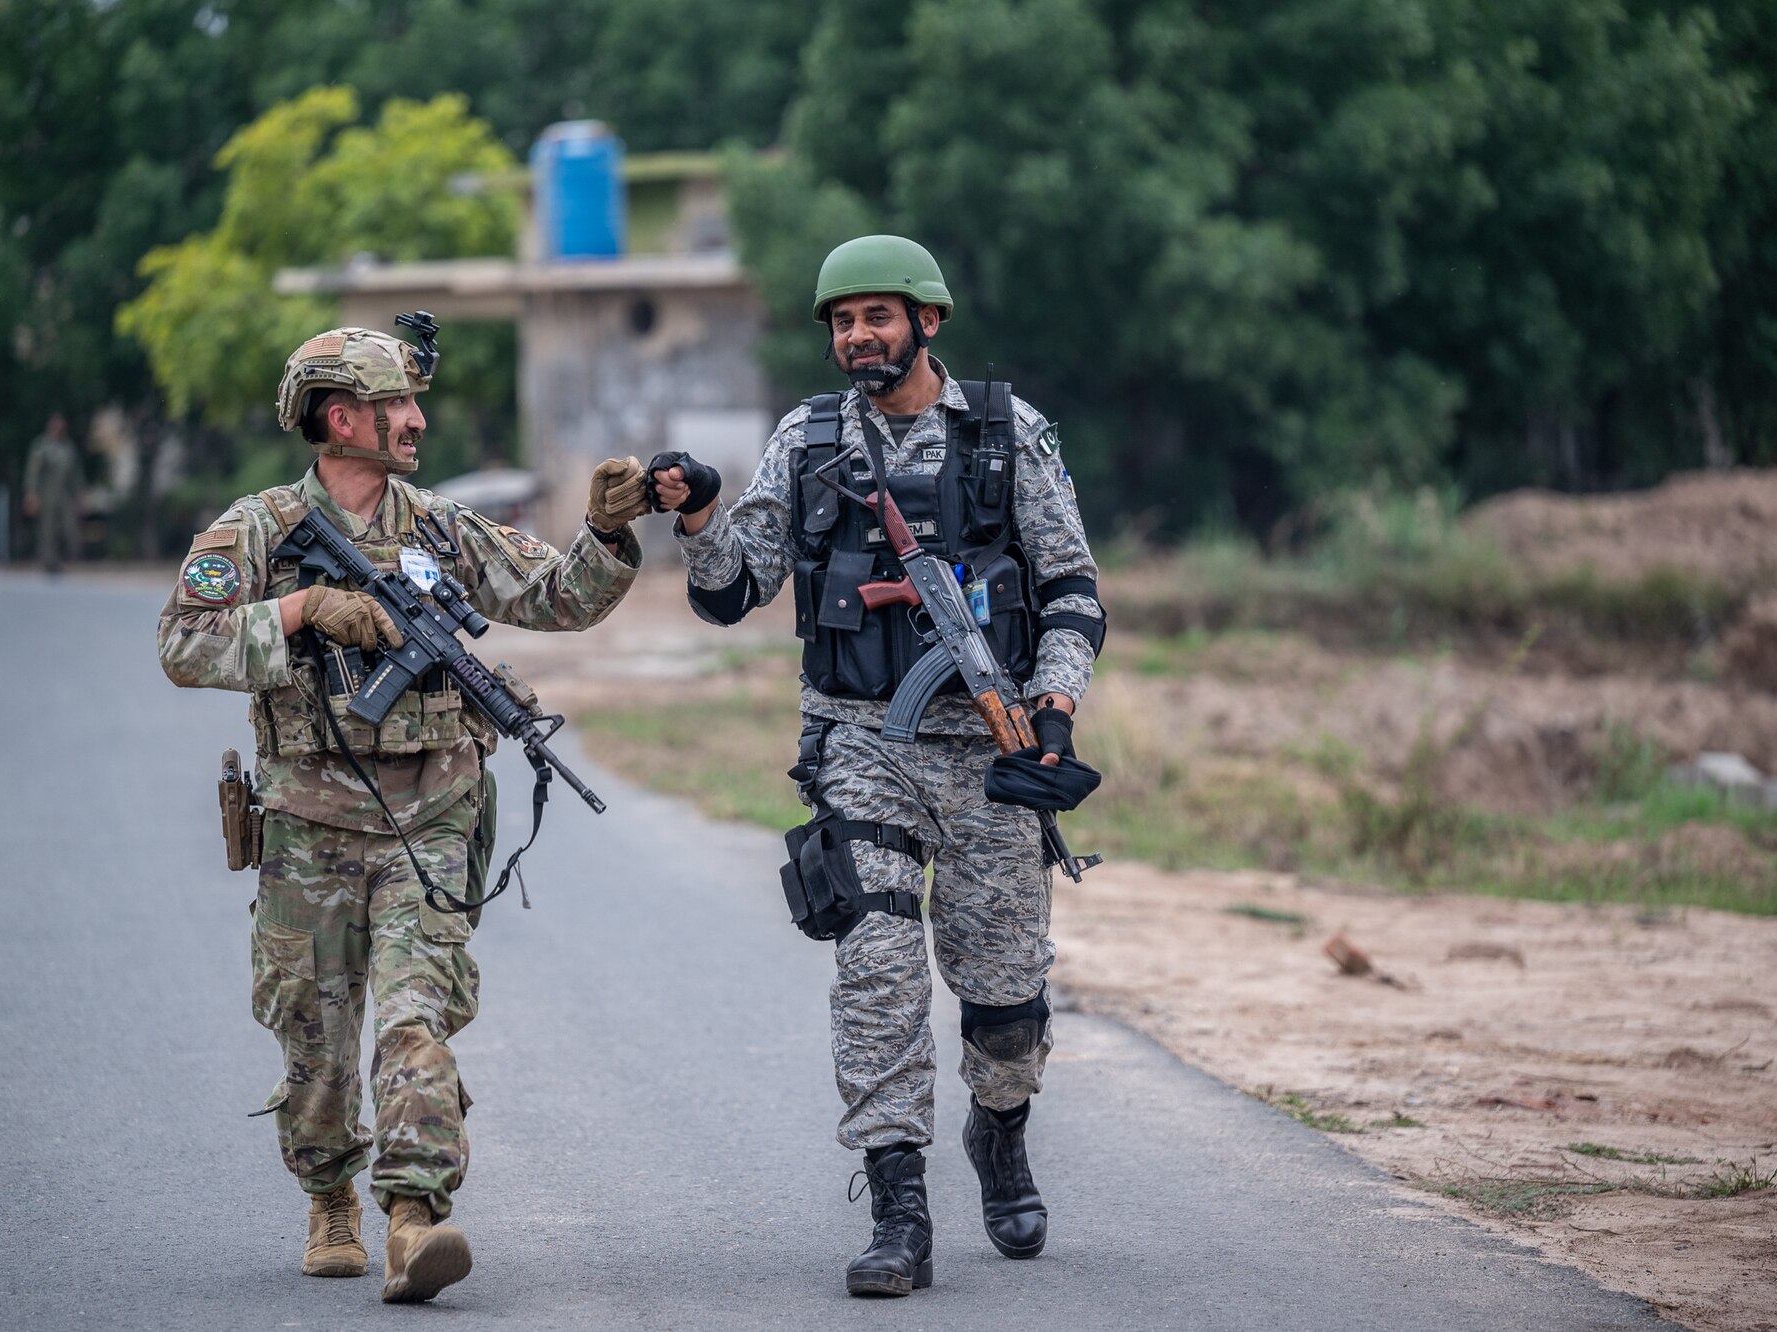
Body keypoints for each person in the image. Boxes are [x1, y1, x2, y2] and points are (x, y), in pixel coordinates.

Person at [156, 323, 650, 1304]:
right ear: (341, 420)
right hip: (305, 829)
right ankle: (328, 1190)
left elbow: (557, 599)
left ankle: (414, 1217)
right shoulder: (255, 529)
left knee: (416, 1018)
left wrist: (606, 532)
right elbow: (182, 643)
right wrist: (300, 614)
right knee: (316, 1038)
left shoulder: (444, 529)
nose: (419, 420)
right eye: (399, 406)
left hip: (429, 818)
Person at [649, 235, 1106, 1296]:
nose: (858, 336)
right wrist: (700, 512)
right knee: (877, 973)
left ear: (925, 322)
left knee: (1003, 1004)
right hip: (861, 745)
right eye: (842, 322)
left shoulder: (1004, 432)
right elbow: (732, 589)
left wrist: (1052, 706)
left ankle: (1000, 1134)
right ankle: (899, 1207)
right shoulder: (807, 441)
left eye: (877, 317)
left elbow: (1072, 585)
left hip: (992, 755)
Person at [23, 413, 82, 573]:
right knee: (47, 529)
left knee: (68, 527)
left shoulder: (68, 447)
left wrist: (80, 493)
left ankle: (62, 557)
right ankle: (50, 562)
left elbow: (75, 474)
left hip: (63, 493)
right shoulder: (41, 446)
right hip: (46, 493)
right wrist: (31, 493)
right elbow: (33, 471)